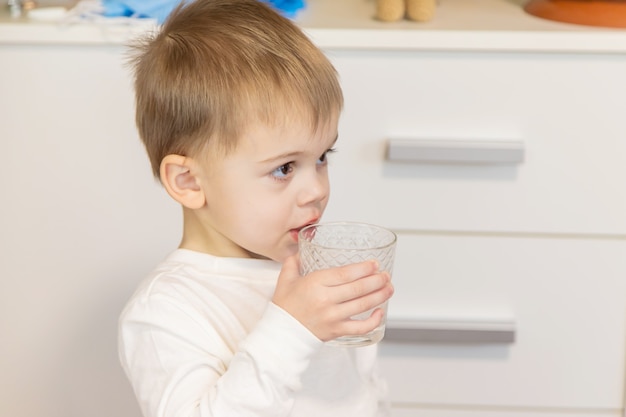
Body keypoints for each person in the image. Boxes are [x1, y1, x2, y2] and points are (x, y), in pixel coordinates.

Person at [118, 0, 395, 416]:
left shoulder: (308, 271)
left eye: (322, 157)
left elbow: (361, 392)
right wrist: (292, 328)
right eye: (284, 168)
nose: (316, 190)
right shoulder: (166, 312)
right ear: (189, 182)